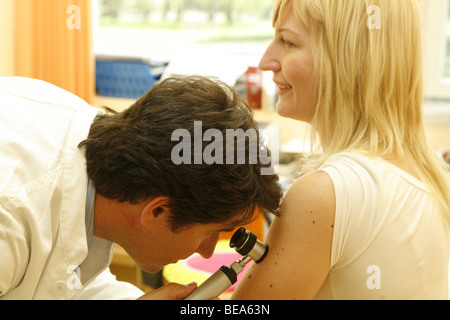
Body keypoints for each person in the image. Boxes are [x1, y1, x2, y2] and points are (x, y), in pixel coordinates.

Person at [232, 0, 450, 300]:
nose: (266, 60)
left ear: (348, 60)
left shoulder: (325, 194)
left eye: (287, 41)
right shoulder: (430, 173)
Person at [0, 76, 282, 300]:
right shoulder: (10, 215)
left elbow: (65, 281)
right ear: (158, 210)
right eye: (209, 232)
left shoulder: (100, 159)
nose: (207, 252)